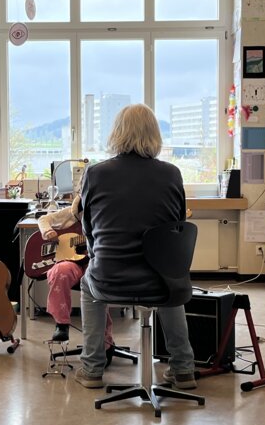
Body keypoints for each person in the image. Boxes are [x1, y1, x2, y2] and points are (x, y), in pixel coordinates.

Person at [75, 102, 197, 390]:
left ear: (117, 133)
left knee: (88, 284)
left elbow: (88, 227)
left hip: (110, 277)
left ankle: (92, 369)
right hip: (159, 280)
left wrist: (96, 256)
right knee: (171, 277)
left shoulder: (96, 173)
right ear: (155, 134)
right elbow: (177, 225)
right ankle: (183, 369)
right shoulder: (171, 173)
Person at [37, 196, 115, 364]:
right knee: (59, 272)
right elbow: (43, 219)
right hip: (72, 261)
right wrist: (48, 231)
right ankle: (61, 324)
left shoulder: (109, 214)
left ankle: (105, 343)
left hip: (95, 262)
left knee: (96, 283)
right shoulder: (71, 213)